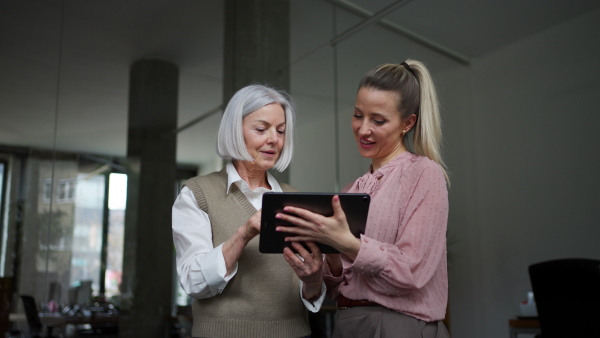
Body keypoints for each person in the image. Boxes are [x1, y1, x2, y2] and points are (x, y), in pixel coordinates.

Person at [275, 60, 451, 337]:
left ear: (408, 123)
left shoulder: (424, 173)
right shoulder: (350, 191)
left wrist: (348, 243)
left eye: (378, 120)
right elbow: (338, 286)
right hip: (348, 323)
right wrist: (323, 262)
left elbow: (412, 272)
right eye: (358, 115)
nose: (363, 129)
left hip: (398, 325)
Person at [172, 84, 325, 338]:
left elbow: (310, 295)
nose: (274, 139)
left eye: (281, 130)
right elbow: (193, 281)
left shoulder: (294, 199)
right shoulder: (198, 193)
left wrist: (312, 281)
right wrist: (244, 233)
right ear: (235, 130)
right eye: (261, 129)